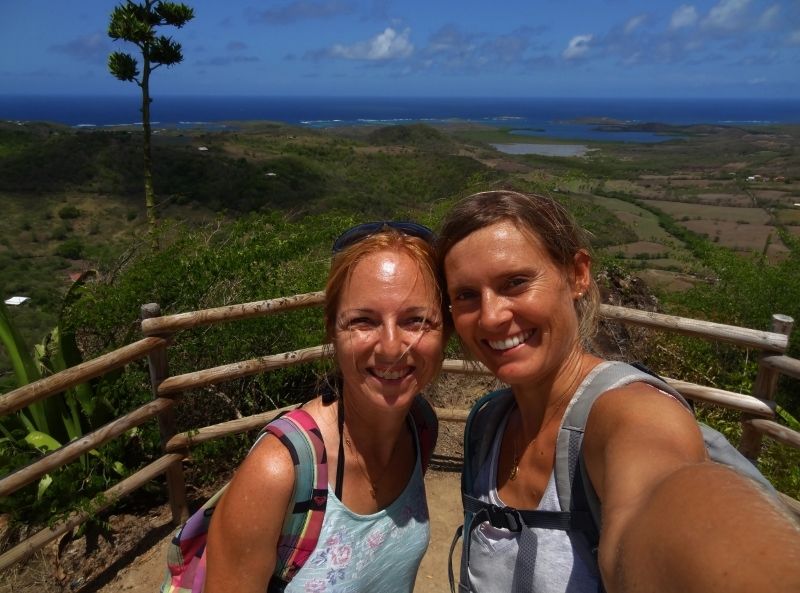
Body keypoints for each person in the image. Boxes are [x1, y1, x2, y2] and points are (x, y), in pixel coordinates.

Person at [437, 190, 800, 593]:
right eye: (466, 295)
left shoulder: (630, 414)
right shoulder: (489, 425)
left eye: (516, 282)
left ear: (577, 274)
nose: (490, 316)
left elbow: (656, 498)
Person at [204, 221, 447, 593]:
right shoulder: (279, 472)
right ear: (333, 330)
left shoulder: (420, 428)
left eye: (416, 320)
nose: (392, 346)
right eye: (363, 321)